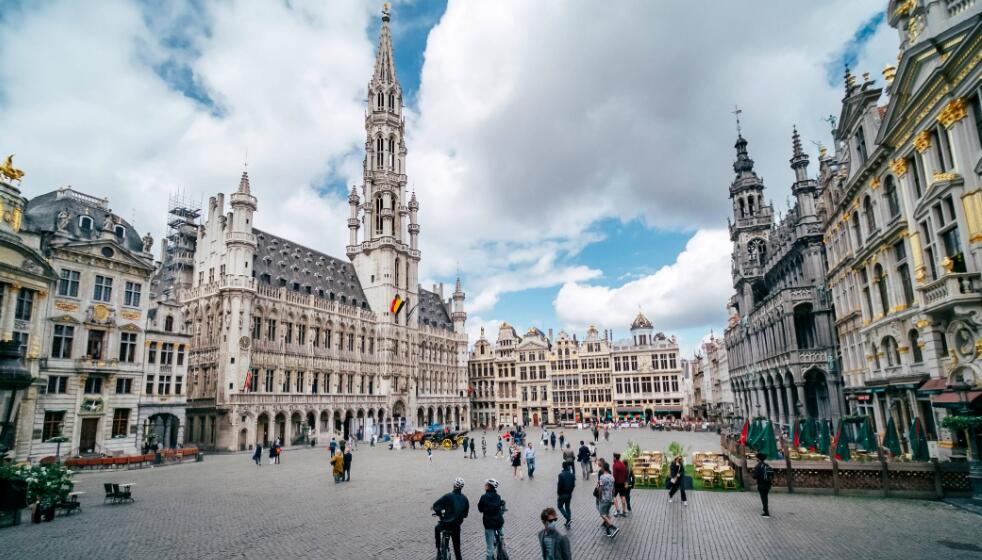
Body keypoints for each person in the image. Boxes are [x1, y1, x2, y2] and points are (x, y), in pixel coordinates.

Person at [432, 478, 469, 560]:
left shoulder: (447, 496)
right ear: (462, 487)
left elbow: (436, 506)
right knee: (457, 548)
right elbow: (465, 515)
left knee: (437, 529)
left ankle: (438, 550)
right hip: (456, 526)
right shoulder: (465, 499)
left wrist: (439, 513)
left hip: (446, 523)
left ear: (454, 485)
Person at [477, 479, 505, 560]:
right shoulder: (498, 497)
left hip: (489, 524)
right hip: (498, 522)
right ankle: (502, 540)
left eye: (486, 484)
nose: (484, 485)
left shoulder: (484, 497)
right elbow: (500, 506)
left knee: (489, 548)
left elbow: (480, 509)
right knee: (501, 532)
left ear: (488, 486)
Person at [595, 461, 619, 538]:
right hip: (610, 498)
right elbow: (613, 489)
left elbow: (600, 489)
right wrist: (613, 497)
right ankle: (608, 531)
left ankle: (613, 527)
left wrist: (599, 497)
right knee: (607, 514)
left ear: (603, 468)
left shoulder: (602, 477)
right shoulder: (612, 477)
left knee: (602, 514)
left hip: (604, 498)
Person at [752, 452, 773, 518]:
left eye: (756, 457)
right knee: (765, 497)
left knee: (763, 498)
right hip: (768, 483)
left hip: (761, 484)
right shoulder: (767, 465)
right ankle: (764, 509)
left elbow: (755, 476)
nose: (756, 458)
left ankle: (766, 512)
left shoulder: (758, 466)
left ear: (758, 458)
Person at [556, 462, 575, 529]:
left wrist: (558, 493)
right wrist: (570, 491)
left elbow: (559, 485)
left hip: (562, 494)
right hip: (569, 494)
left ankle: (568, 519)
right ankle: (567, 523)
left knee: (560, 506)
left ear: (563, 467)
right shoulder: (572, 475)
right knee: (567, 507)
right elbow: (573, 485)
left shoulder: (561, 475)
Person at [611, 453, 629, 517]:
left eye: (613, 457)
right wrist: (625, 481)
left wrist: (613, 482)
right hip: (622, 483)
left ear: (615, 458)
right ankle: (624, 511)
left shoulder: (615, 465)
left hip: (616, 483)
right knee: (622, 496)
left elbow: (614, 475)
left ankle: (617, 510)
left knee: (614, 496)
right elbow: (626, 473)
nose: (613, 458)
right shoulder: (622, 464)